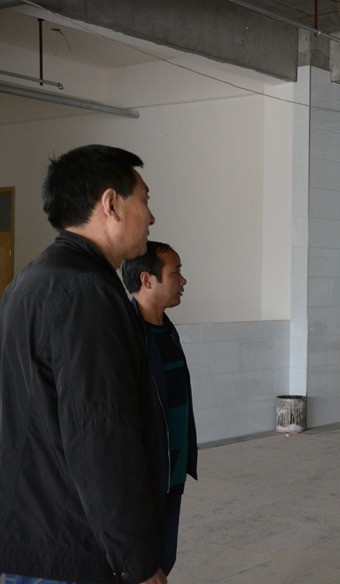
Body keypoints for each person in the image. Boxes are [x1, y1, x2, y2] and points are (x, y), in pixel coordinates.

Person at [0, 145, 167, 584]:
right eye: (145, 200)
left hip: (30, 536)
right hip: (71, 546)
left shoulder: (29, 280)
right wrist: (138, 558)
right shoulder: (86, 292)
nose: (151, 217)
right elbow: (100, 435)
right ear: (110, 204)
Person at [121, 242, 198, 576]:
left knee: (164, 560)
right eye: (175, 272)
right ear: (147, 280)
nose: (183, 280)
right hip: (143, 477)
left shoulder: (167, 330)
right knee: (141, 567)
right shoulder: (124, 335)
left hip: (172, 470)